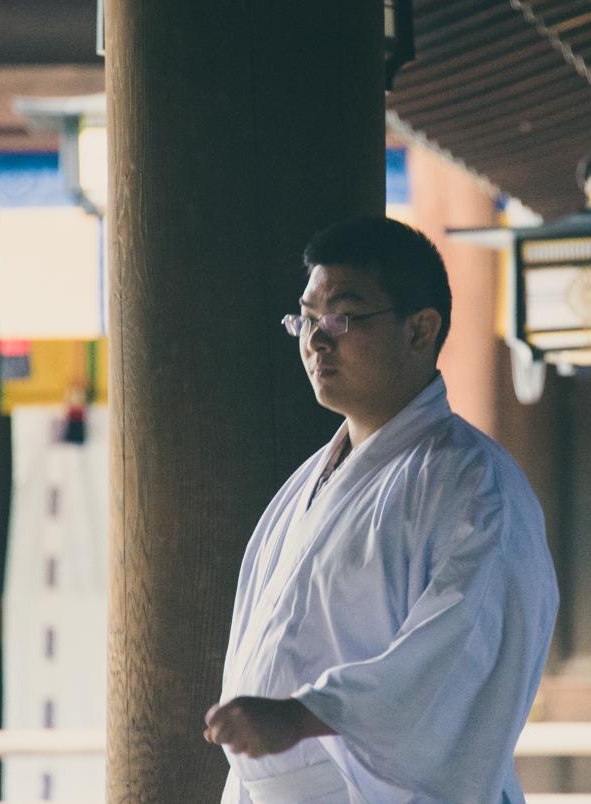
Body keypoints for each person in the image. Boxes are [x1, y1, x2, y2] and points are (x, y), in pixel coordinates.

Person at [203, 216, 559, 804]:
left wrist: (303, 715)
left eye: (341, 318)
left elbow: (459, 651)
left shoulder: (473, 483)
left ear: (421, 329)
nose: (316, 340)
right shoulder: (305, 485)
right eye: (306, 319)